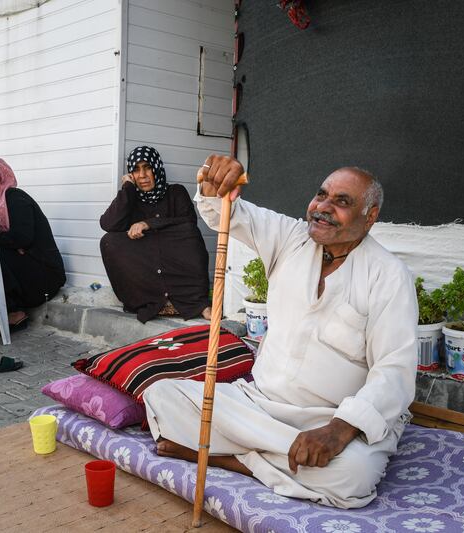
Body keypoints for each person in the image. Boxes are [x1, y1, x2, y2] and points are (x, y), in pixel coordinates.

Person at [143, 156, 418, 509]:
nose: (323, 207)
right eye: (321, 195)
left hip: (329, 418)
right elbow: (230, 214)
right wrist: (215, 186)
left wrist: (338, 431)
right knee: (161, 396)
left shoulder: (389, 276)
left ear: (371, 216)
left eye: (342, 201)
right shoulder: (291, 238)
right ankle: (262, 460)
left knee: (353, 474)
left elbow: (394, 370)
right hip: (258, 405)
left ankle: (223, 457)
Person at [99, 146, 211, 323]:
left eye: (147, 167)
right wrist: (127, 188)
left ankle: (198, 303)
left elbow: (189, 222)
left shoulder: (176, 192)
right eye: (136, 170)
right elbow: (108, 224)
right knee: (109, 242)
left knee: (190, 232)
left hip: (174, 255)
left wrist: (148, 224)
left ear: (157, 168)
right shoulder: (130, 198)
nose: (142, 175)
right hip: (147, 262)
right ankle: (150, 301)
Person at [0, 156, 66, 334]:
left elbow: (23, 238)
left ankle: (14, 312)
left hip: (45, 276)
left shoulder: (15, 198)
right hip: (26, 270)